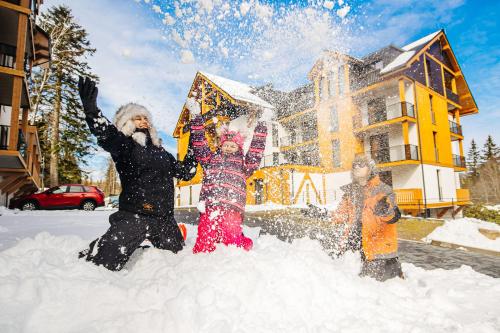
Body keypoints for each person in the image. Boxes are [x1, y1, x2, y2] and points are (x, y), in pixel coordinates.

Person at [77, 77, 197, 271]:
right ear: (126, 122)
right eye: (137, 117)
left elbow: (186, 172)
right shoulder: (124, 145)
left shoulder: (162, 152)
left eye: (145, 117)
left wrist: (194, 146)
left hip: (164, 218)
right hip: (134, 215)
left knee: (179, 261)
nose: (143, 121)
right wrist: (92, 110)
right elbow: (107, 134)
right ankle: (102, 246)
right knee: (103, 263)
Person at [186, 97, 268, 253]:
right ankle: (200, 261)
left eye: (233, 145)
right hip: (210, 205)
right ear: (221, 145)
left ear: (238, 147)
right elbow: (199, 143)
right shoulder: (210, 159)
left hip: (232, 207)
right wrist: (196, 115)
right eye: (226, 145)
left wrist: (262, 125)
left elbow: (256, 150)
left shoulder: (245, 164)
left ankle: (243, 243)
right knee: (205, 239)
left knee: (231, 241)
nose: (229, 148)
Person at [331, 155, 404, 281]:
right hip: (353, 253)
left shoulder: (383, 190)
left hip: (379, 257)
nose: (357, 167)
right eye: (355, 165)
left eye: (361, 164)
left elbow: (394, 215)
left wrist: (386, 211)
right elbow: (340, 215)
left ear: (371, 169)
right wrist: (320, 213)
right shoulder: (351, 193)